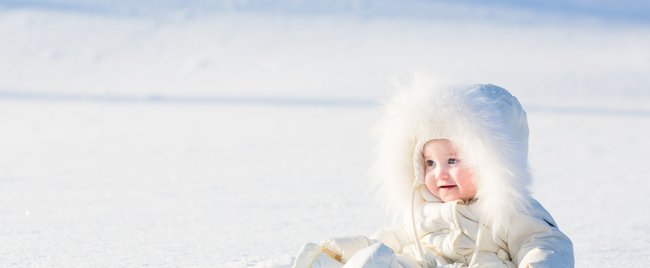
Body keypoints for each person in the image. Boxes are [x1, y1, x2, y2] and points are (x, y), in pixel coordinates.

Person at [292, 78, 574, 267]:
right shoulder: (423, 212)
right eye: (430, 163)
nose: (440, 174)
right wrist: (344, 250)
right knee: (378, 257)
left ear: (493, 163)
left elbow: (545, 243)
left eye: (453, 161)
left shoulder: (509, 212)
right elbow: (390, 239)